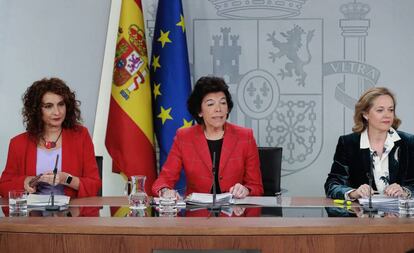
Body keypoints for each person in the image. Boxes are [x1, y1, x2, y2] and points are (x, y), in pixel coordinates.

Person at [152, 76, 263, 198]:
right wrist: (165, 191)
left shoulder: (245, 137)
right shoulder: (184, 138)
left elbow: (256, 186)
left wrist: (246, 190)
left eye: (223, 103)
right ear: (200, 111)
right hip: (196, 214)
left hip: (234, 213)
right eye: (210, 104)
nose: (218, 109)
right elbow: (163, 181)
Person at [0, 77, 101, 198]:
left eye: (61, 104)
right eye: (48, 106)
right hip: (32, 215)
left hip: (70, 214)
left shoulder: (81, 136)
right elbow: (4, 186)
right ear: (37, 110)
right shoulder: (18, 143)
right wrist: (25, 181)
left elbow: (95, 185)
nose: (57, 112)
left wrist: (66, 179)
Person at [325, 87, 414, 200]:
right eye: (380, 110)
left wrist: (405, 191)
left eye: (390, 110)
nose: (387, 115)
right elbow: (332, 185)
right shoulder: (348, 144)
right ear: (365, 114)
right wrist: (354, 193)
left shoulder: (409, 142)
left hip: (400, 216)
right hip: (361, 215)